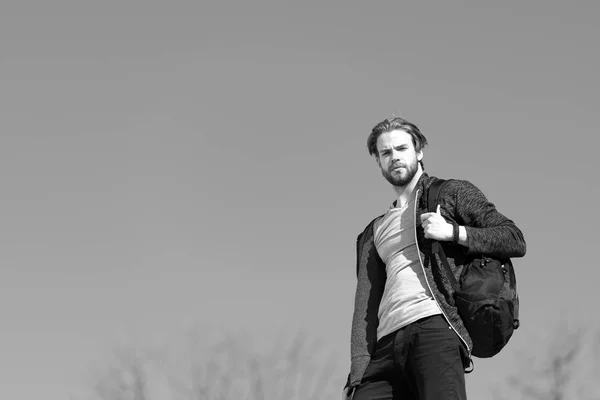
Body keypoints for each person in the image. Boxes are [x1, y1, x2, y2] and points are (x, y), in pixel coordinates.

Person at [343, 117, 526, 400]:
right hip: (384, 348)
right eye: (386, 153)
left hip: (434, 329)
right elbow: (365, 308)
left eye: (401, 148)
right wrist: (356, 376)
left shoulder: (450, 193)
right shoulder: (374, 231)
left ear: (419, 152)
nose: (394, 158)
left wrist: (454, 232)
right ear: (378, 162)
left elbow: (513, 238)